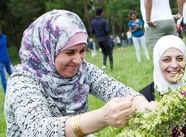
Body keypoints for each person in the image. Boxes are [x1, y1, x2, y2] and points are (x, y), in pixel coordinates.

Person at [4, 9, 154, 137]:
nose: (77, 60)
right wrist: (101, 118)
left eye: (82, 50)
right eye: (69, 52)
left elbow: (115, 89)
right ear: (47, 49)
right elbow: (37, 130)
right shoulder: (22, 81)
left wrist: (143, 105)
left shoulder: (83, 69)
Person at [0, 29, 12, 93]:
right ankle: (6, 92)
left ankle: (15, 87)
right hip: (0, 61)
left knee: (12, 74)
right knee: (3, 77)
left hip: (7, 59)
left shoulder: (4, 37)